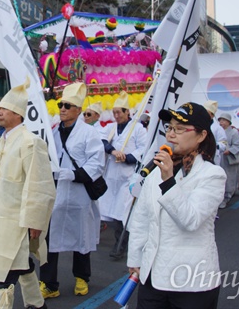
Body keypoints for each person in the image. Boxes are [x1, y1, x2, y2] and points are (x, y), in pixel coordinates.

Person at [0, 79, 56, 309]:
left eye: (5, 109)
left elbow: (40, 184)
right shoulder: (3, 141)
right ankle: (37, 304)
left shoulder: (30, 142)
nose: (0, 112)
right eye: (0, 109)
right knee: (21, 265)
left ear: (18, 114)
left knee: (5, 274)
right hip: (0, 216)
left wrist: (35, 220)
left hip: (18, 220)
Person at [127, 102, 225, 309]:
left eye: (180, 129)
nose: (171, 134)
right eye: (169, 128)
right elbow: (141, 218)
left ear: (201, 136)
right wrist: (135, 258)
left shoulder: (212, 174)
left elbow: (191, 220)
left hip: (192, 281)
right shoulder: (158, 170)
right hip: (153, 277)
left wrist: (169, 181)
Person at [39, 82, 105, 299]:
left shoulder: (89, 133)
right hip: (56, 193)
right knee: (50, 239)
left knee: (81, 236)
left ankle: (82, 277)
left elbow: (97, 162)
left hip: (79, 195)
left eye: (68, 105)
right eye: (61, 104)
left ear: (78, 109)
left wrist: (75, 175)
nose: (63, 108)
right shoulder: (53, 131)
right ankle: (49, 284)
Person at [99, 91, 147, 259]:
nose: (116, 115)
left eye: (119, 112)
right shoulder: (111, 128)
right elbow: (102, 140)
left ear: (128, 112)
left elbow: (143, 148)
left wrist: (127, 157)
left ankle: (121, 244)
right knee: (110, 209)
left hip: (127, 176)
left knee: (123, 211)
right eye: (114, 112)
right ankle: (116, 240)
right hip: (112, 175)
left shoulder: (138, 129)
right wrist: (113, 151)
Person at [217, 112, 239, 209]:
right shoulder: (218, 131)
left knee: (230, 177)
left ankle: (226, 197)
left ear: (228, 122)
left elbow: (238, 145)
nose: (221, 122)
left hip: (230, 158)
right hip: (220, 157)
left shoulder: (233, 132)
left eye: (223, 120)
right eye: (220, 120)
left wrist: (230, 150)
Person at [203, 100, 227, 166]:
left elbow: (223, 144)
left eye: (206, 112)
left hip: (212, 157)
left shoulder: (218, 128)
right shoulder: (197, 124)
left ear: (212, 115)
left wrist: (213, 144)